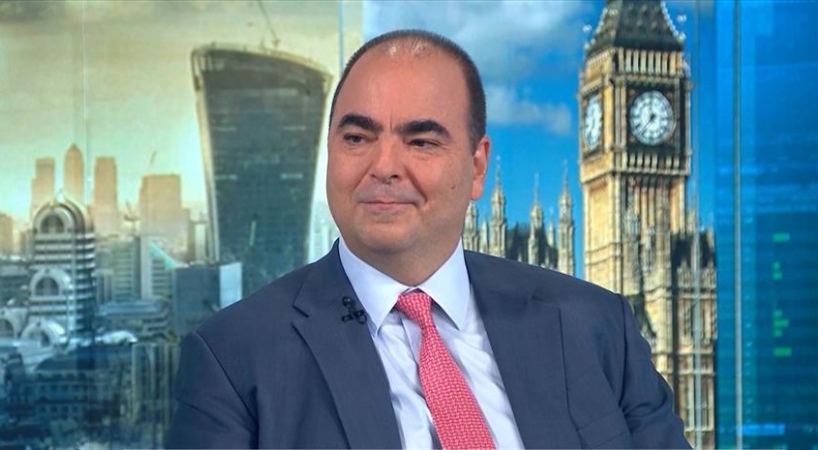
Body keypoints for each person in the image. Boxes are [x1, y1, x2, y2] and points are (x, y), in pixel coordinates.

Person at [166, 29, 690, 449]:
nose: (384, 166)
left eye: (421, 141)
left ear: (477, 167)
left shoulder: (596, 325)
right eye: (357, 138)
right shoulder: (233, 360)